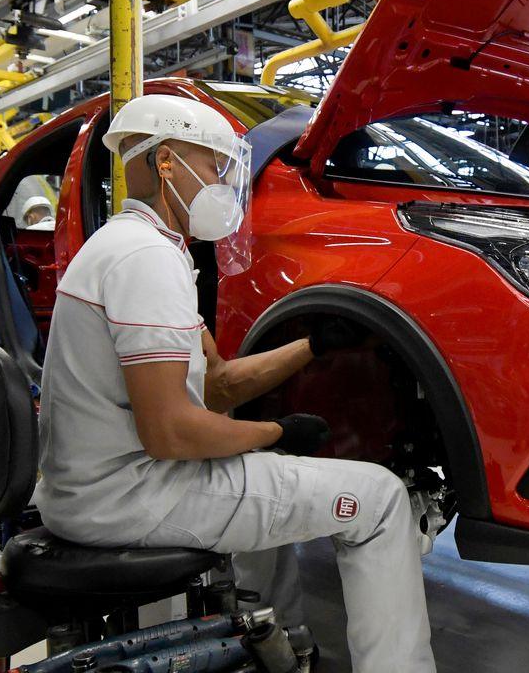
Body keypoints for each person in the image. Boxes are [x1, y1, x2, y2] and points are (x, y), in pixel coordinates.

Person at [33, 93, 436, 672]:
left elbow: (215, 385)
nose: (223, 184)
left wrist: (312, 344)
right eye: (212, 166)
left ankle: (281, 644)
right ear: (165, 161)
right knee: (379, 500)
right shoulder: (143, 258)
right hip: (126, 494)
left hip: (99, 485)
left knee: (280, 491)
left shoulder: (137, 247)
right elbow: (171, 432)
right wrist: (275, 432)